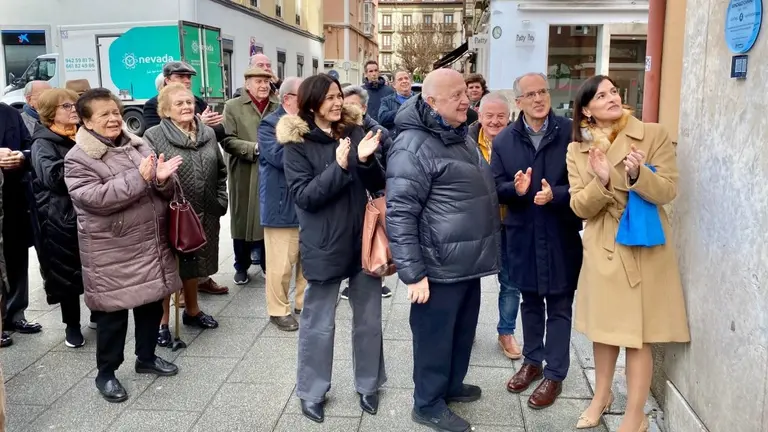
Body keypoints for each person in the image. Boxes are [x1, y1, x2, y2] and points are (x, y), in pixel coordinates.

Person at [566, 75, 690, 432]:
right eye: (601, 95)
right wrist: (601, 181)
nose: (611, 97)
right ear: (586, 110)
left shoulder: (652, 134)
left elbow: (668, 190)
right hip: (604, 245)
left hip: (642, 246)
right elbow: (579, 207)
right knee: (604, 331)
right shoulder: (577, 149)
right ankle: (601, 396)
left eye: (614, 91)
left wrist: (637, 175)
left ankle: (635, 415)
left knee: (639, 334)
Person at [386, 68, 500, 432]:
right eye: (456, 96)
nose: (466, 100)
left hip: (467, 261)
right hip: (437, 266)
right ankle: (428, 403)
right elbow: (400, 213)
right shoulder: (412, 145)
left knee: (461, 330)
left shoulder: (459, 135)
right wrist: (413, 273)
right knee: (435, 336)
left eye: (466, 92)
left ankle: (451, 384)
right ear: (431, 101)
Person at [277, 74, 387, 424]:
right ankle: (311, 391)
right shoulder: (296, 144)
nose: (337, 103)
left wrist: (367, 162)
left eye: (339, 96)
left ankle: (369, 384)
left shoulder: (354, 132)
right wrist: (339, 167)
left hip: (363, 240)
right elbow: (305, 197)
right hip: (323, 242)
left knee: (368, 318)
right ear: (311, 105)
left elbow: (377, 184)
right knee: (318, 323)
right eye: (329, 98)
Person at [65, 88, 183, 402]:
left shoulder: (138, 144)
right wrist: (141, 179)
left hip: (149, 243)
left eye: (116, 112)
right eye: (104, 114)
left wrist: (161, 179)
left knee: (149, 305)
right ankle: (106, 374)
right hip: (111, 251)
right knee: (112, 318)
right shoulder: (77, 158)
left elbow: (163, 188)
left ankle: (146, 358)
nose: (114, 119)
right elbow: (94, 199)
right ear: (87, 122)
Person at [492, 73, 582, 410]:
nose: (538, 98)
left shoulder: (570, 134)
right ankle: (533, 361)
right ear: (519, 102)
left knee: (559, 305)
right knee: (529, 301)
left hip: (560, 233)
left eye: (543, 91)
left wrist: (555, 194)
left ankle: (555, 374)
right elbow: (494, 185)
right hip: (522, 233)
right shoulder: (504, 142)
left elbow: (584, 186)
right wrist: (513, 190)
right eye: (530, 94)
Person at [144, 83, 227, 345]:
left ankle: (193, 311)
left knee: (194, 264)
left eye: (189, 102)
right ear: (165, 109)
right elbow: (148, 179)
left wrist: (220, 199)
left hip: (205, 212)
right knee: (168, 269)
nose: (187, 107)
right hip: (171, 214)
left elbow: (221, 170)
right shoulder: (153, 136)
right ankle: (162, 323)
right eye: (179, 103)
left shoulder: (208, 134)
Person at [30, 88, 87, 348]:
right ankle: (72, 326)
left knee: (92, 267)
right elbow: (53, 178)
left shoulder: (82, 135)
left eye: (75, 104)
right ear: (51, 113)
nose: (73, 109)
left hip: (86, 212)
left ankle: (98, 313)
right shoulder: (43, 142)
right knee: (65, 272)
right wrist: (84, 157)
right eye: (66, 106)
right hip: (58, 217)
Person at [468, 91, 521, 360]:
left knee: (511, 281)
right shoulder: (465, 140)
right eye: (489, 116)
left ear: (509, 116)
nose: (495, 121)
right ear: (479, 115)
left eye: (501, 116)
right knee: (467, 281)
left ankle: (506, 331)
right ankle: (466, 331)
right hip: (474, 224)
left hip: (509, 220)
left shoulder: (517, 142)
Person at [221, 67, 279, 285]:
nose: (263, 85)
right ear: (247, 84)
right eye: (258, 81)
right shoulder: (233, 106)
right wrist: (255, 148)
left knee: (267, 218)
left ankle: (266, 263)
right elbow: (227, 140)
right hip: (244, 171)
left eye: (266, 81)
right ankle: (241, 265)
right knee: (241, 218)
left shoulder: (277, 105)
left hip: (271, 170)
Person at [257, 77, 306, 332]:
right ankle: (278, 310)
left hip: (307, 203)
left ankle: (302, 304)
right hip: (280, 204)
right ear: (288, 99)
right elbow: (278, 157)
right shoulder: (269, 124)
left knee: (306, 261)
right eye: (304, 95)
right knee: (280, 264)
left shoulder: (310, 121)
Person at [340, 84, 394, 298]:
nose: (347, 110)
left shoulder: (379, 132)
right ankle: (349, 279)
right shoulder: (340, 130)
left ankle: (377, 274)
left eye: (352, 106)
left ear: (363, 108)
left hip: (373, 196)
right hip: (348, 196)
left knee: (374, 237)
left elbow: (390, 167)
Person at [0, 102, 42, 347]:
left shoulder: (9, 113)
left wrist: (21, 157)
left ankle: (16, 313)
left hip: (13, 199)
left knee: (16, 257)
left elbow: (30, 147)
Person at [377, 70, 414, 135]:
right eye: (400, 79)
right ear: (394, 85)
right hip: (396, 141)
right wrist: (404, 111)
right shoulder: (387, 101)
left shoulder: (420, 99)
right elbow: (382, 119)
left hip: (416, 140)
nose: (404, 81)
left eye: (406, 78)